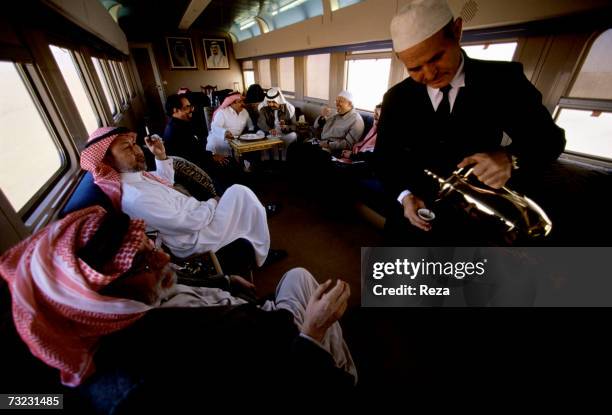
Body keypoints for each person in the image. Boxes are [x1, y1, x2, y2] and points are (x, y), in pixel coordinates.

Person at [0, 207, 356, 403]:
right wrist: (313, 331)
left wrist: (223, 281)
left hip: (252, 318)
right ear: (98, 297)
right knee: (305, 283)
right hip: (286, 351)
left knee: (297, 278)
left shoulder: (120, 308)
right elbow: (270, 388)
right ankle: (343, 375)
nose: (162, 257)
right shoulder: (152, 366)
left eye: (148, 243)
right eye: (141, 262)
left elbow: (170, 279)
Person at [375, 0, 566, 245]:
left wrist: (511, 158)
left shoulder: (503, 81)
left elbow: (550, 139)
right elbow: (384, 159)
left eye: (436, 58)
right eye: (415, 68)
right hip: (410, 223)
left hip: (473, 227)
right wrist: (404, 196)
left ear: (457, 30)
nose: (430, 74)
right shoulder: (396, 98)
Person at [80, 126, 271, 266]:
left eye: (134, 144)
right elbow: (188, 223)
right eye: (127, 148)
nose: (138, 150)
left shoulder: (134, 178)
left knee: (242, 199)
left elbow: (164, 182)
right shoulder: (134, 197)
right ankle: (262, 252)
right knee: (240, 193)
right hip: (194, 238)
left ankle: (256, 239)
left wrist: (160, 156)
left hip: (198, 217)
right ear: (107, 160)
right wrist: (213, 203)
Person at [163, 94, 243, 191]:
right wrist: (213, 157)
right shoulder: (176, 129)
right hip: (195, 170)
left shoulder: (179, 124)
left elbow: (195, 150)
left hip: (199, 162)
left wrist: (212, 155)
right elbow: (191, 156)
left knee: (231, 162)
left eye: (190, 106)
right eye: (187, 107)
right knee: (230, 165)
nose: (191, 110)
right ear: (175, 110)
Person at [257, 87, 298, 160]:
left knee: (293, 135)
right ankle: (267, 159)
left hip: (283, 135)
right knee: (259, 133)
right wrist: (269, 130)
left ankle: (283, 158)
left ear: (279, 100)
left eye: (273, 102)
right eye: (269, 102)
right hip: (269, 135)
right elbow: (261, 123)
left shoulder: (289, 109)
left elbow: (294, 126)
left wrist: (286, 127)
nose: (270, 104)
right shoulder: (264, 109)